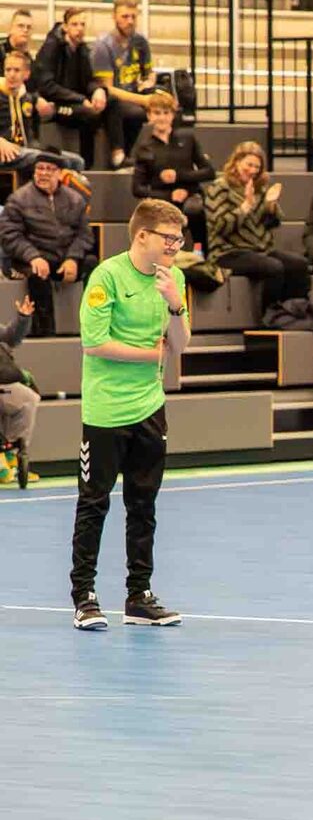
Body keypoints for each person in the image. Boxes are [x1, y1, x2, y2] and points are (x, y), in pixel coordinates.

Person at [70, 199, 192, 631]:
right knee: (94, 503)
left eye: (179, 239)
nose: (175, 246)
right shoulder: (107, 276)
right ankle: (84, 597)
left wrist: (175, 305)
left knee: (144, 504)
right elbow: (94, 343)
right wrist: (150, 355)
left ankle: (139, 596)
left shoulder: (174, 278)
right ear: (143, 236)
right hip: (106, 409)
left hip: (150, 408)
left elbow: (180, 344)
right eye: (168, 238)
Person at [204, 142, 309, 314]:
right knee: (273, 267)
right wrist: (245, 206)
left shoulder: (259, 187)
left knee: (299, 264)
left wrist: (271, 206)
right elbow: (220, 226)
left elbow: (272, 224)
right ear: (237, 162)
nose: (253, 170)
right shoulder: (220, 188)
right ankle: (270, 316)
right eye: (249, 165)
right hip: (228, 252)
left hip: (260, 250)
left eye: (257, 167)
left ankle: (295, 313)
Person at [0, 150, 96, 337]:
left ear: (60, 174)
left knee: (92, 264)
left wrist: (73, 258)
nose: (43, 173)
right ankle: (45, 332)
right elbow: (10, 235)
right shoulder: (19, 199)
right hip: (30, 259)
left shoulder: (75, 199)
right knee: (38, 272)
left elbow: (85, 235)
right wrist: (33, 256)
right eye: (39, 169)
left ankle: (93, 321)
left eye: (49, 169)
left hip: (64, 259)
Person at [130, 91, 216, 249]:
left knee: (195, 209)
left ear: (172, 115)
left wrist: (179, 177)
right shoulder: (144, 147)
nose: (162, 117)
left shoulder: (188, 139)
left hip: (190, 195)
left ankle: (200, 252)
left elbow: (209, 172)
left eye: (166, 113)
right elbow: (137, 188)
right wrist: (169, 196)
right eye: (157, 113)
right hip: (161, 199)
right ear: (149, 115)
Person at [32, 8, 105, 168]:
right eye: (74, 24)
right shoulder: (51, 48)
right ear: (65, 27)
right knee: (88, 114)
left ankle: (118, 156)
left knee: (111, 103)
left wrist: (98, 90)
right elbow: (47, 86)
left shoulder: (82, 49)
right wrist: (81, 99)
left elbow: (88, 81)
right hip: (54, 105)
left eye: (82, 25)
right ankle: (86, 167)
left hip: (74, 101)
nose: (79, 29)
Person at [89, 0, 155, 167]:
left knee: (169, 104)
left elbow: (149, 72)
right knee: (134, 112)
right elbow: (108, 88)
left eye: (133, 16)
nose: (130, 21)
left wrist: (149, 83)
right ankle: (119, 156)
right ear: (114, 17)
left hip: (135, 93)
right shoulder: (103, 46)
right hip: (111, 100)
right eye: (125, 16)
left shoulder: (140, 42)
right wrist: (143, 100)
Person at [2, 51, 84, 173]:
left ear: (26, 74)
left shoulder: (27, 98)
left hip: (24, 150)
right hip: (4, 152)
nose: (11, 75)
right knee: (60, 162)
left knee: (77, 161)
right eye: (8, 70)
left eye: (16, 70)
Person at [0, 294, 40, 485]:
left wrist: (23, 318)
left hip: (4, 383)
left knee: (27, 398)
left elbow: (11, 337)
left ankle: (12, 455)